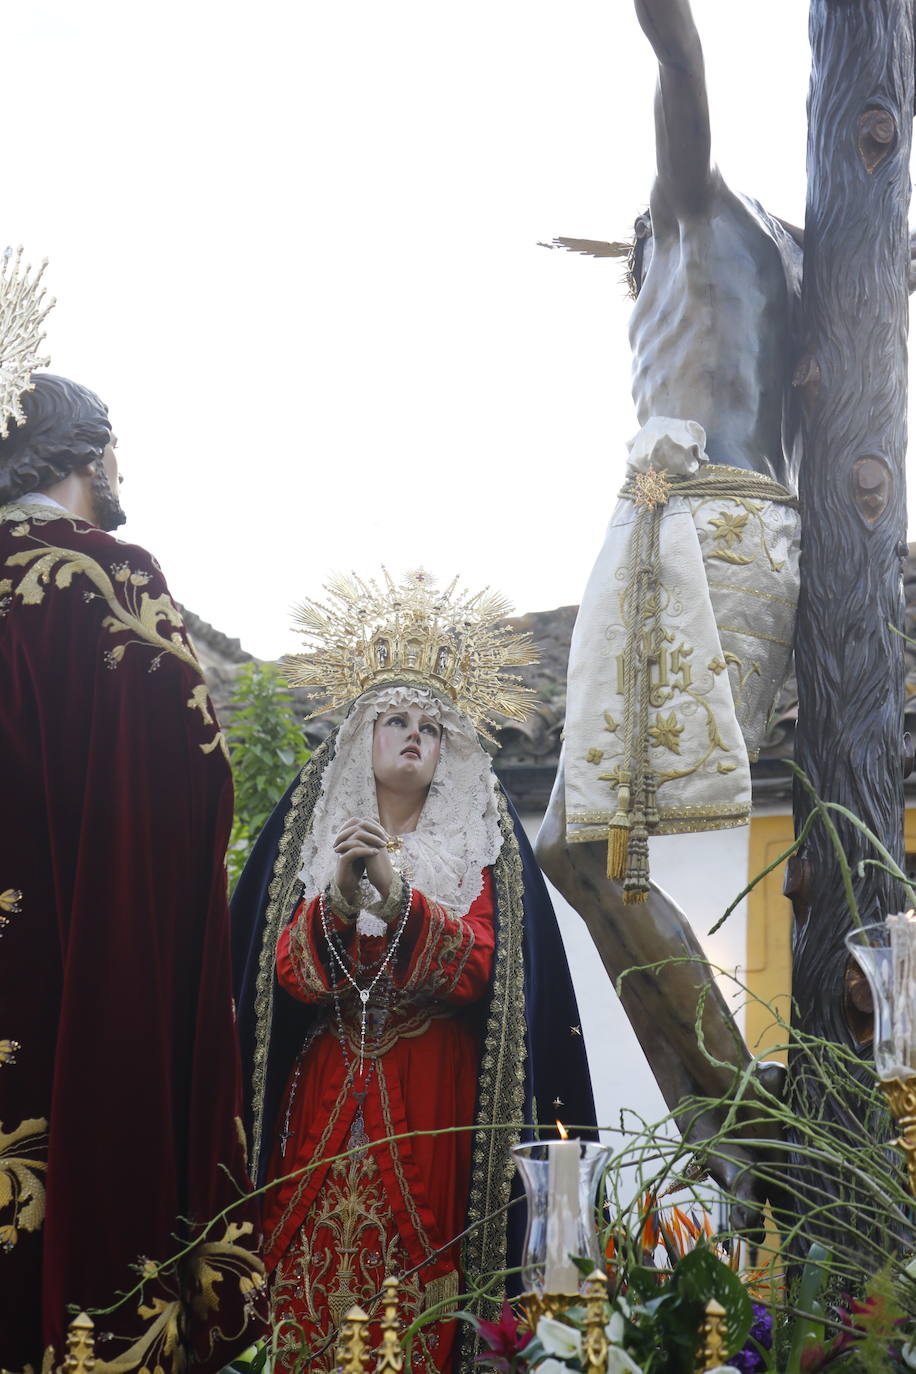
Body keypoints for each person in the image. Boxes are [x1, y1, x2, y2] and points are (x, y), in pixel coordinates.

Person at [537, 0, 802, 1224]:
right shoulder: (694, 260)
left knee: (600, 846)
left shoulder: (699, 209)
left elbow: (678, 52)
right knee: (564, 849)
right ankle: (718, 1128)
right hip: (660, 522)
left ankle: (757, 1129)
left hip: (716, 525)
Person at [231, 569, 596, 1374]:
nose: (411, 738)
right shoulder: (312, 826)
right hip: (326, 1088)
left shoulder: (479, 842)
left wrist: (403, 904)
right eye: (394, 720)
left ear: (448, 748)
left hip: (435, 1092)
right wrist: (333, 905)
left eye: (429, 728)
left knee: (423, 1268)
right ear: (363, 734)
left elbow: (488, 975)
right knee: (306, 1265)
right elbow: (278, 981)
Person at [0, 365, 265, 1368]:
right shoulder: (108, 576)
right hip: (74, 967)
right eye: (114, 446)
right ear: (87, 454)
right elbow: (185, 791)